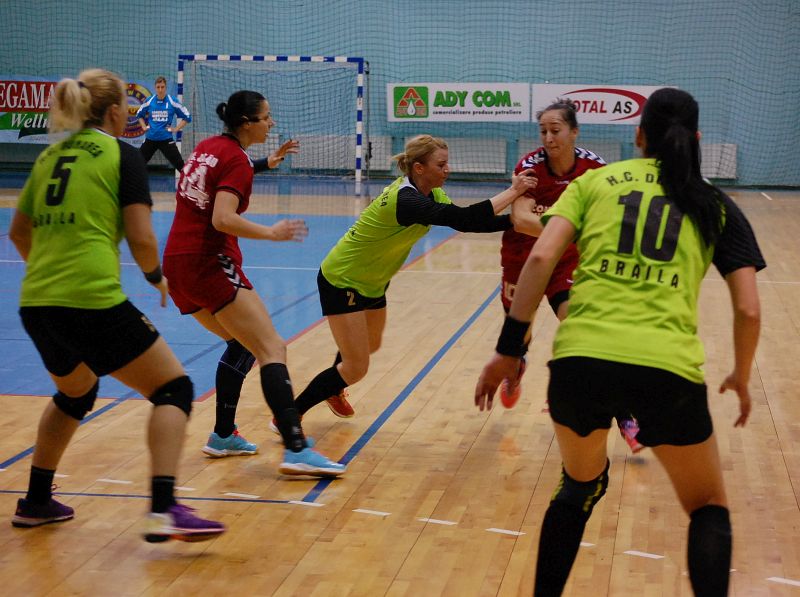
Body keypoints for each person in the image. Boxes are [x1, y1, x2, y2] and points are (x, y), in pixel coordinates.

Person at [475, 87, 764, 596]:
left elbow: (540, 258)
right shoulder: (715, 204)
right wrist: (740, 375)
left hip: (579, 363)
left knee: (579, 486)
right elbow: (748, 308)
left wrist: (508, 349)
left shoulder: (596, 182)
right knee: (707, 507)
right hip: (666, 370)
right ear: (696, 139)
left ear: (639, 136)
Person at [8, 68, 225, 542]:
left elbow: (19, 233)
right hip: (89, 298)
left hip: (37, 302)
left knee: (75, 392)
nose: (130, 113)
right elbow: (141, 236)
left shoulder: (49, 155)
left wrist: (50, 278)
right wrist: (154, 276)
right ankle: (164, 509)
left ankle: (37, 500)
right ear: (112, 112)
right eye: (126, 106)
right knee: (173, 389)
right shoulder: (121, 155)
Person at [274, 134, 537, 427]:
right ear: (419, 168)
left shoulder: (432, 194)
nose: (447, 169)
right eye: (441, 164)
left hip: (374, 281)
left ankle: (334, 385)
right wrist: (514, 192)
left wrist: (519, 221)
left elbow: (471, 222)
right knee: (357, 367)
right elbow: (465, 218)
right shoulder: (406, 199)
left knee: (370, 344)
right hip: (343, 278)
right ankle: (289, 415)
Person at [161, 89, 344, 477]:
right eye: (266, 117)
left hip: (176, 263)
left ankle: (223, 435)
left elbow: (221, 174)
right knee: (271, 347)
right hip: (209, 262)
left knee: (241, 343)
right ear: (246, 123)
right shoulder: (236, 161)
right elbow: (222, 219)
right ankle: (296, 447)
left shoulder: (209, 148)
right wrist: (271, 233)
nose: (271, 123)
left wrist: (265, 162)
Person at [500, 98, 644, 453]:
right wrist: (571, 228)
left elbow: (610, 217)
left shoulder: (594, 169)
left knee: (584, 330)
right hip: (523, 259)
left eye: (556, 130)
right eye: (543, 131)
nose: (549, 138)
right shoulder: (530, 167)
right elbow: (521, 219)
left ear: (574, 132)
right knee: (518, 338)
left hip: (566, 262)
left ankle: (625, 416)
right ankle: (517, 364)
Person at [135, 76, 192, 171]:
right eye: (158, 87)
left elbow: (187, 116)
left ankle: (188, 180)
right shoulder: (149, 100)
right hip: (150, 139)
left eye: (162, 87)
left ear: (166, 87)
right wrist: (144, 127)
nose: (160, 90)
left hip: (166, 140)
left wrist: (176, 129)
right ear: (155, 88)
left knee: (181, 166)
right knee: (137, 165)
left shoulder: (172, 101)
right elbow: (139, 114)